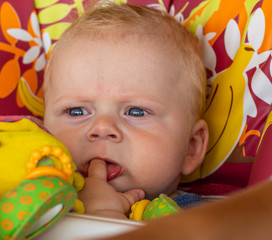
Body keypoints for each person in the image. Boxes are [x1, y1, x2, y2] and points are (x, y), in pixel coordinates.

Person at [43, 2, 209, 220]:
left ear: (191, 147)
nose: (102, 128)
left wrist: (104, 216)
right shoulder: (26, 206)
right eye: (76, 111)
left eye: (136, 112)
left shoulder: (202, 220)